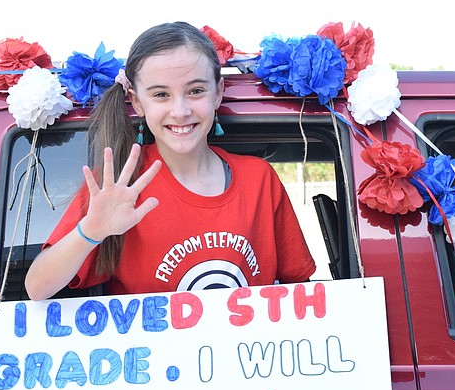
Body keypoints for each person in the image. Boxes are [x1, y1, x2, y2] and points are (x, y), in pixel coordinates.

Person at [25, 22, 315, 300]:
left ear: (218, 93)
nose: (180, 110)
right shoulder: (119, 188)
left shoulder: (259, 179)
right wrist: (91, 231)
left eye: (196, 91)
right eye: (161, 95)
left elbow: (300, 290)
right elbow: (37, 288)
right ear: (137, 102)